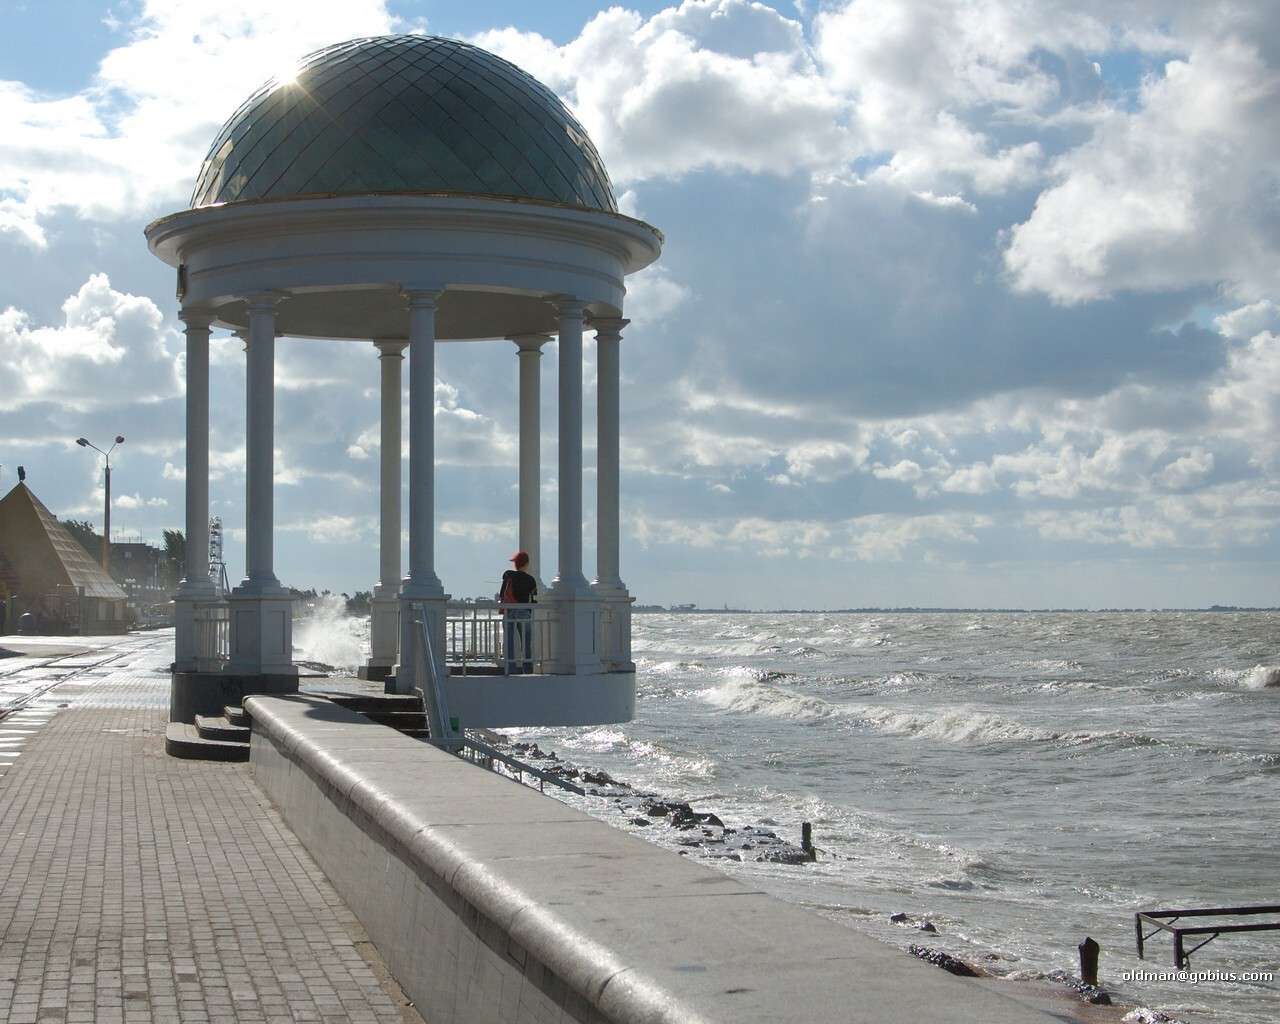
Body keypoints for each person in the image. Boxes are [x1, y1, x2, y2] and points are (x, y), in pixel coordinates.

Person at [497, 551, 537, 673]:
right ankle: (528, 669)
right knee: (526, 642)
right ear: (526, 564)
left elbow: (501, 594)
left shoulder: (508, 576)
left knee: (509, 641)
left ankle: (510, 668)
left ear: (516, 564)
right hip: (524, 612)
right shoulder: (531, 580)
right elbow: (534, 599)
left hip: (509, 611)